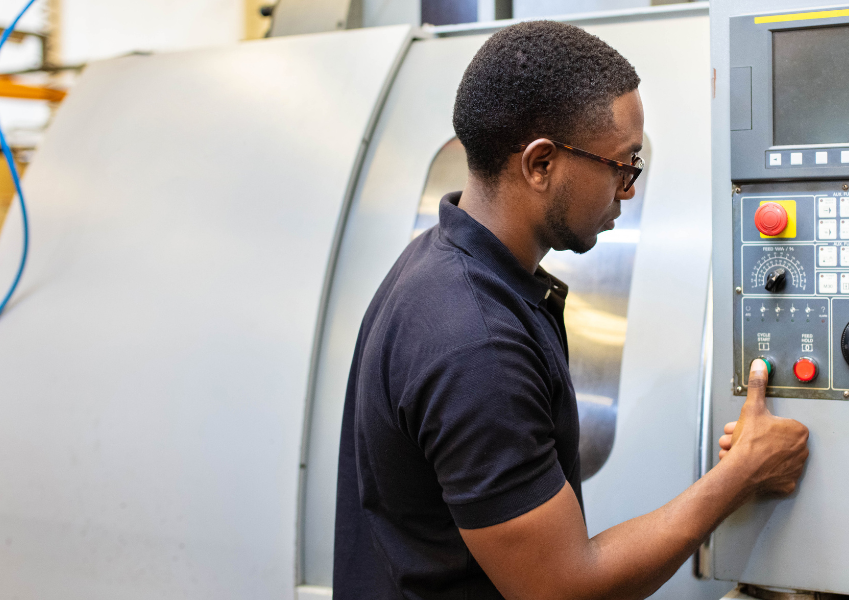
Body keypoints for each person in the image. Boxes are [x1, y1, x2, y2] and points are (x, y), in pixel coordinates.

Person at [333, 20, 809, 600]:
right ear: (540, 165)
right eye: (623, 165)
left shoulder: (435, 261)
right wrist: (741, 475)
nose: (628, 190)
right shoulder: (476, 344)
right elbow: (562, 589)